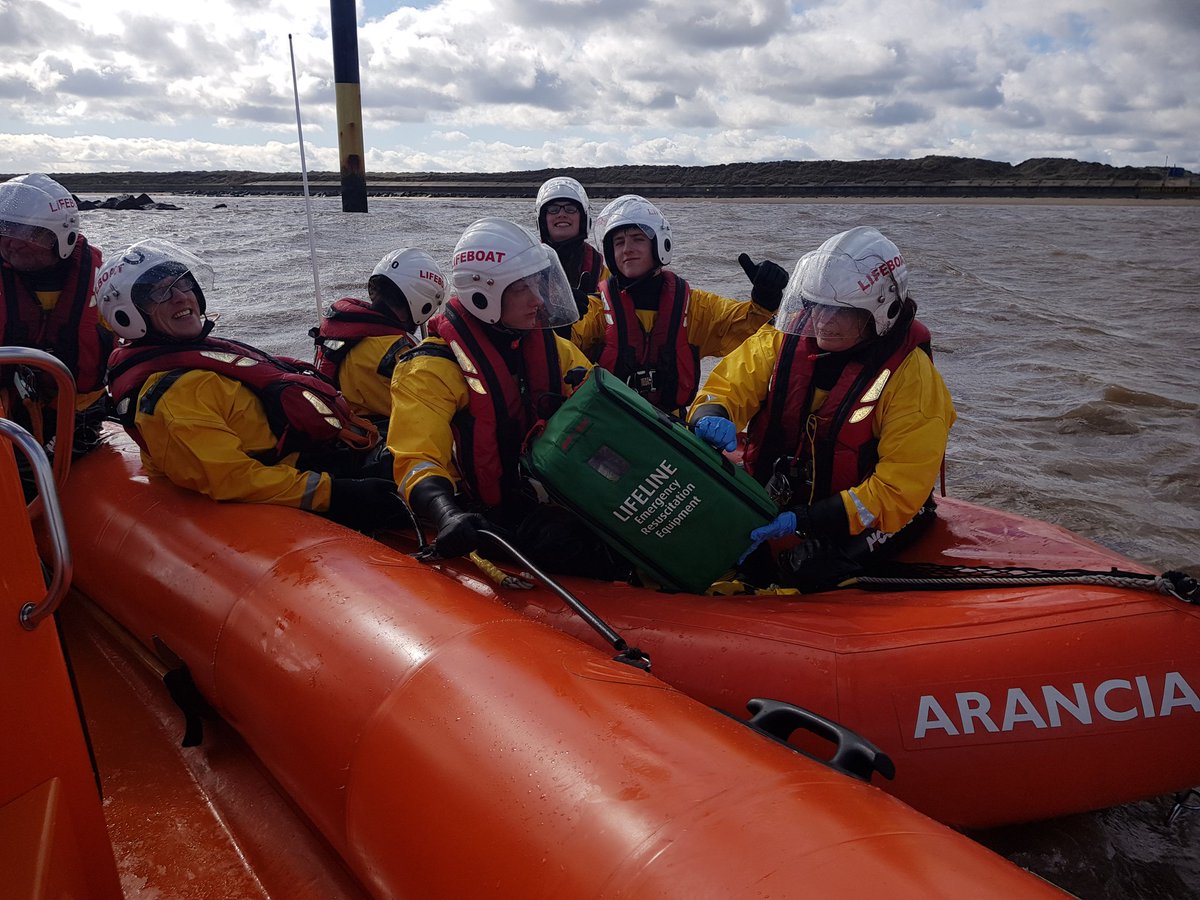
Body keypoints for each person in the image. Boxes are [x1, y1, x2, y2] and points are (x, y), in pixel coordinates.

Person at [688, 226, 955, 591]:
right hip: (788, 498)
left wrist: (810, 520)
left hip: (869, 513)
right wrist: (711, 414)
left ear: (880, 312)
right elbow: (727, 385)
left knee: (810, 569)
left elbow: (898, 488)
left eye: (839, 311)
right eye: (816, 305)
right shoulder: (782, 340)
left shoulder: (913, 379)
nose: (822, 321)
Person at [98, 238, 401, 531]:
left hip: (317, 450)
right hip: (302, 471)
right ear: (127, 313)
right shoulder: (172, 398)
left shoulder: (194, 357)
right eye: (159, 293)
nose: (182, 296)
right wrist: (337, 494)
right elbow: (233, 478)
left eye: (183, 283)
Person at [387, 217, 626, 577]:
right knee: (563, 542)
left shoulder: (552, 350)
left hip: (547, 489)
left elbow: (604, 402)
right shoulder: (428, 370)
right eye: (522, 290)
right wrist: (446, 512)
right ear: (484, 294)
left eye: (539, 286)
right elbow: (417, 459)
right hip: (482, 514)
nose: (538, 301)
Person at [571, 194, 788, 416]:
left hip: (670, 427)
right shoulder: (595, 309)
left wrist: (765, 299)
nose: (627, 249)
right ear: (610, 252)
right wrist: (562, 319)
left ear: (659, 245)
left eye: (638, 239)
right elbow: (565, 347)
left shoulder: (695, 307)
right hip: (607, 419)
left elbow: (750, 335)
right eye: (619, 242)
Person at [0, 172, 112, 460]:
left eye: (24, 233)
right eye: (3, 230)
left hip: (80, 414)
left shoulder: (106, 283)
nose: (10, 243)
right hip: (8, 413)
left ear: (61, 236)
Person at [311, 248, 446, 421]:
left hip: (342, 428)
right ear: (422, 303)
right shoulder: (399, 355)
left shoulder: (340, 329)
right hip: (381, 437)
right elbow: (429, 409)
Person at [533, 176, 609, 330]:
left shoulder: (600, 270)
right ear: (542, 220)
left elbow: (607, 321)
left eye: (570, 208)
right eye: (553, 209)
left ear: (583, 218)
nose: (561, 214)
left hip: (583, 349)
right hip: (539, 343)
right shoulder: (525, 264)